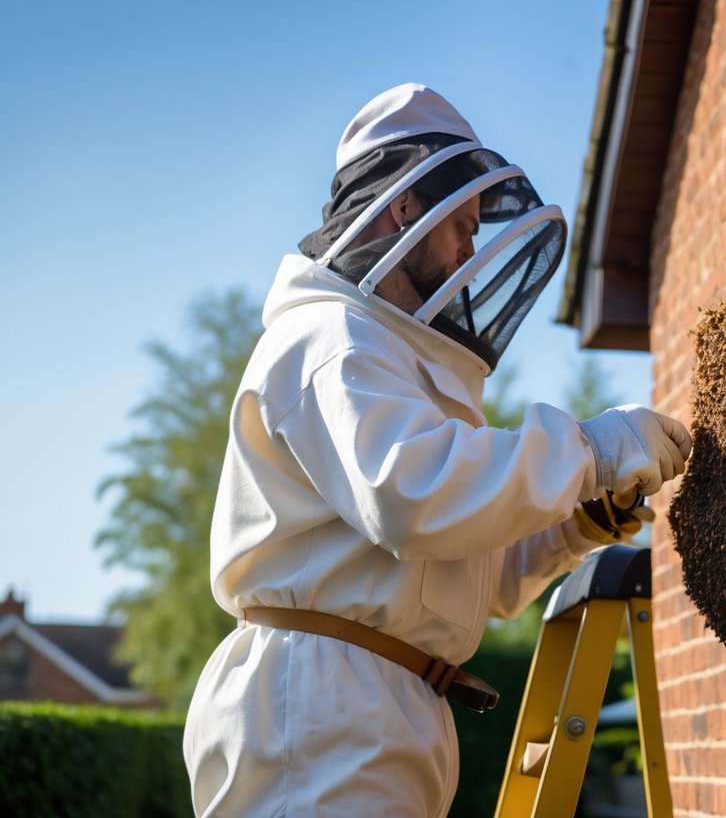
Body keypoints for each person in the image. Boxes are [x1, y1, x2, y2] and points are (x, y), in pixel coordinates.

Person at [182, 83, 692, 817]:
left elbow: (464, 568)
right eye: (462, 223)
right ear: (403, 208)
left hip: (375, 699)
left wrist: (575, 524)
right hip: (318, 703)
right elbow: (411, 497)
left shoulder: (386, 358)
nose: (470, 248)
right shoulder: (331, 339)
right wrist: (590, 448)